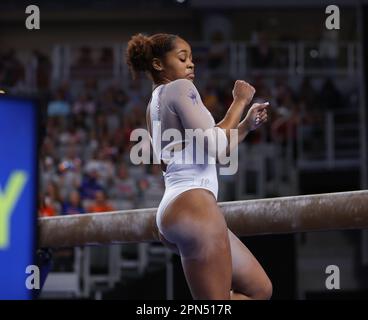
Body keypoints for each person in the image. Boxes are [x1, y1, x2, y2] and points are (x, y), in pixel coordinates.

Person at [126, 33, 272, 300]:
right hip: (195, 207)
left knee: (259, 290)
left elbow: (212, 147)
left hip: (178, 209)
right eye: (182, 58)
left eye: (192, 59)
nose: (191, 64)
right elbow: (216, 146)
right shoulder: (181, 89)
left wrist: (245, 127)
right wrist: (239, 101)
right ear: (158, 64)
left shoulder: (154, 105)